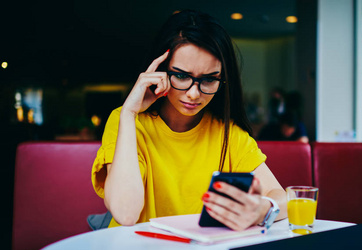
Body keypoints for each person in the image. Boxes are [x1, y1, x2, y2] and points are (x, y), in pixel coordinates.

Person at [91, 10, 287, 231]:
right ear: (161, 71)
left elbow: (282, 198)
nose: (194, 93)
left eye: (209, 79)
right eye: (182, 76)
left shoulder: (227, 133)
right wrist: (128, 113)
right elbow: (126, 213)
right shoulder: (126, 121)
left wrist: (262, 208)